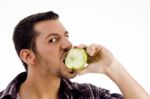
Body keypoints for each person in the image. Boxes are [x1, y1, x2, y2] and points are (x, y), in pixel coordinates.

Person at [0, 11, 149, 99]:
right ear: (28, 56)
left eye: (66, 36)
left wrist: (111, 67)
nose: (68, 45)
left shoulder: (88, 95)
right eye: (53, 40)